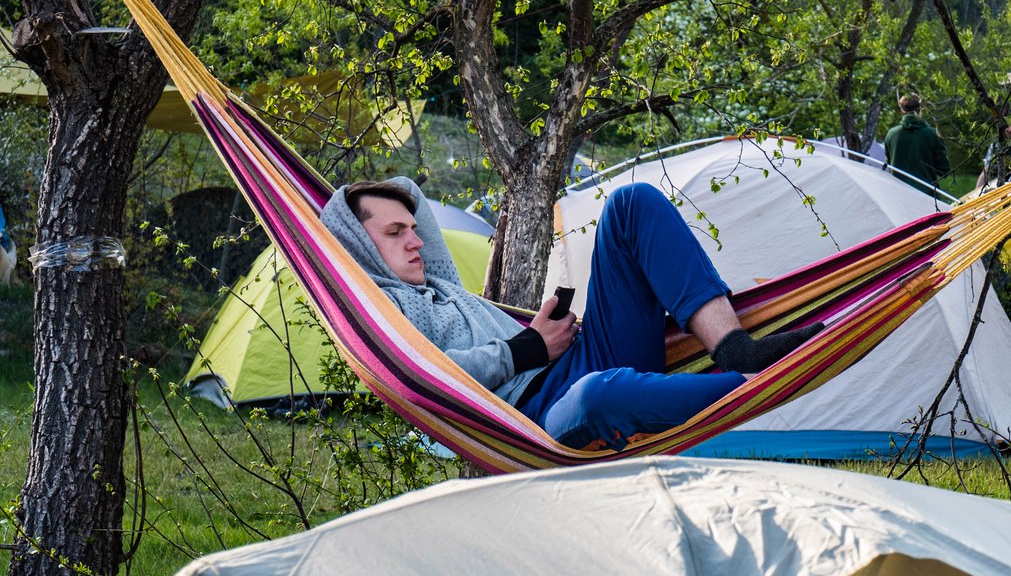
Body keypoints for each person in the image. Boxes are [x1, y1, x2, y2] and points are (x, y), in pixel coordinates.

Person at [320, 178, 822, 450]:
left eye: (413, 228)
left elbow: (408, 187)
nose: (417, 241)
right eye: (393, 234)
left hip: (579, 356)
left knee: (630, 203)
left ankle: (736, 350)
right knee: (600, 396)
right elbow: (424, 376)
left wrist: (544, 339)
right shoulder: (383, 315)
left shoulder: (438, 281)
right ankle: (765, 381)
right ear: (358, 246)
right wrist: (527, 349)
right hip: (536, 419)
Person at [884, 93, 950, 192]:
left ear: (902, 109)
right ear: (921, 108)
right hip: (926, 194)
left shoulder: (892, 134)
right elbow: (944, 170)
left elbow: (889, 165)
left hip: (897, 194)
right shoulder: (932, 134)